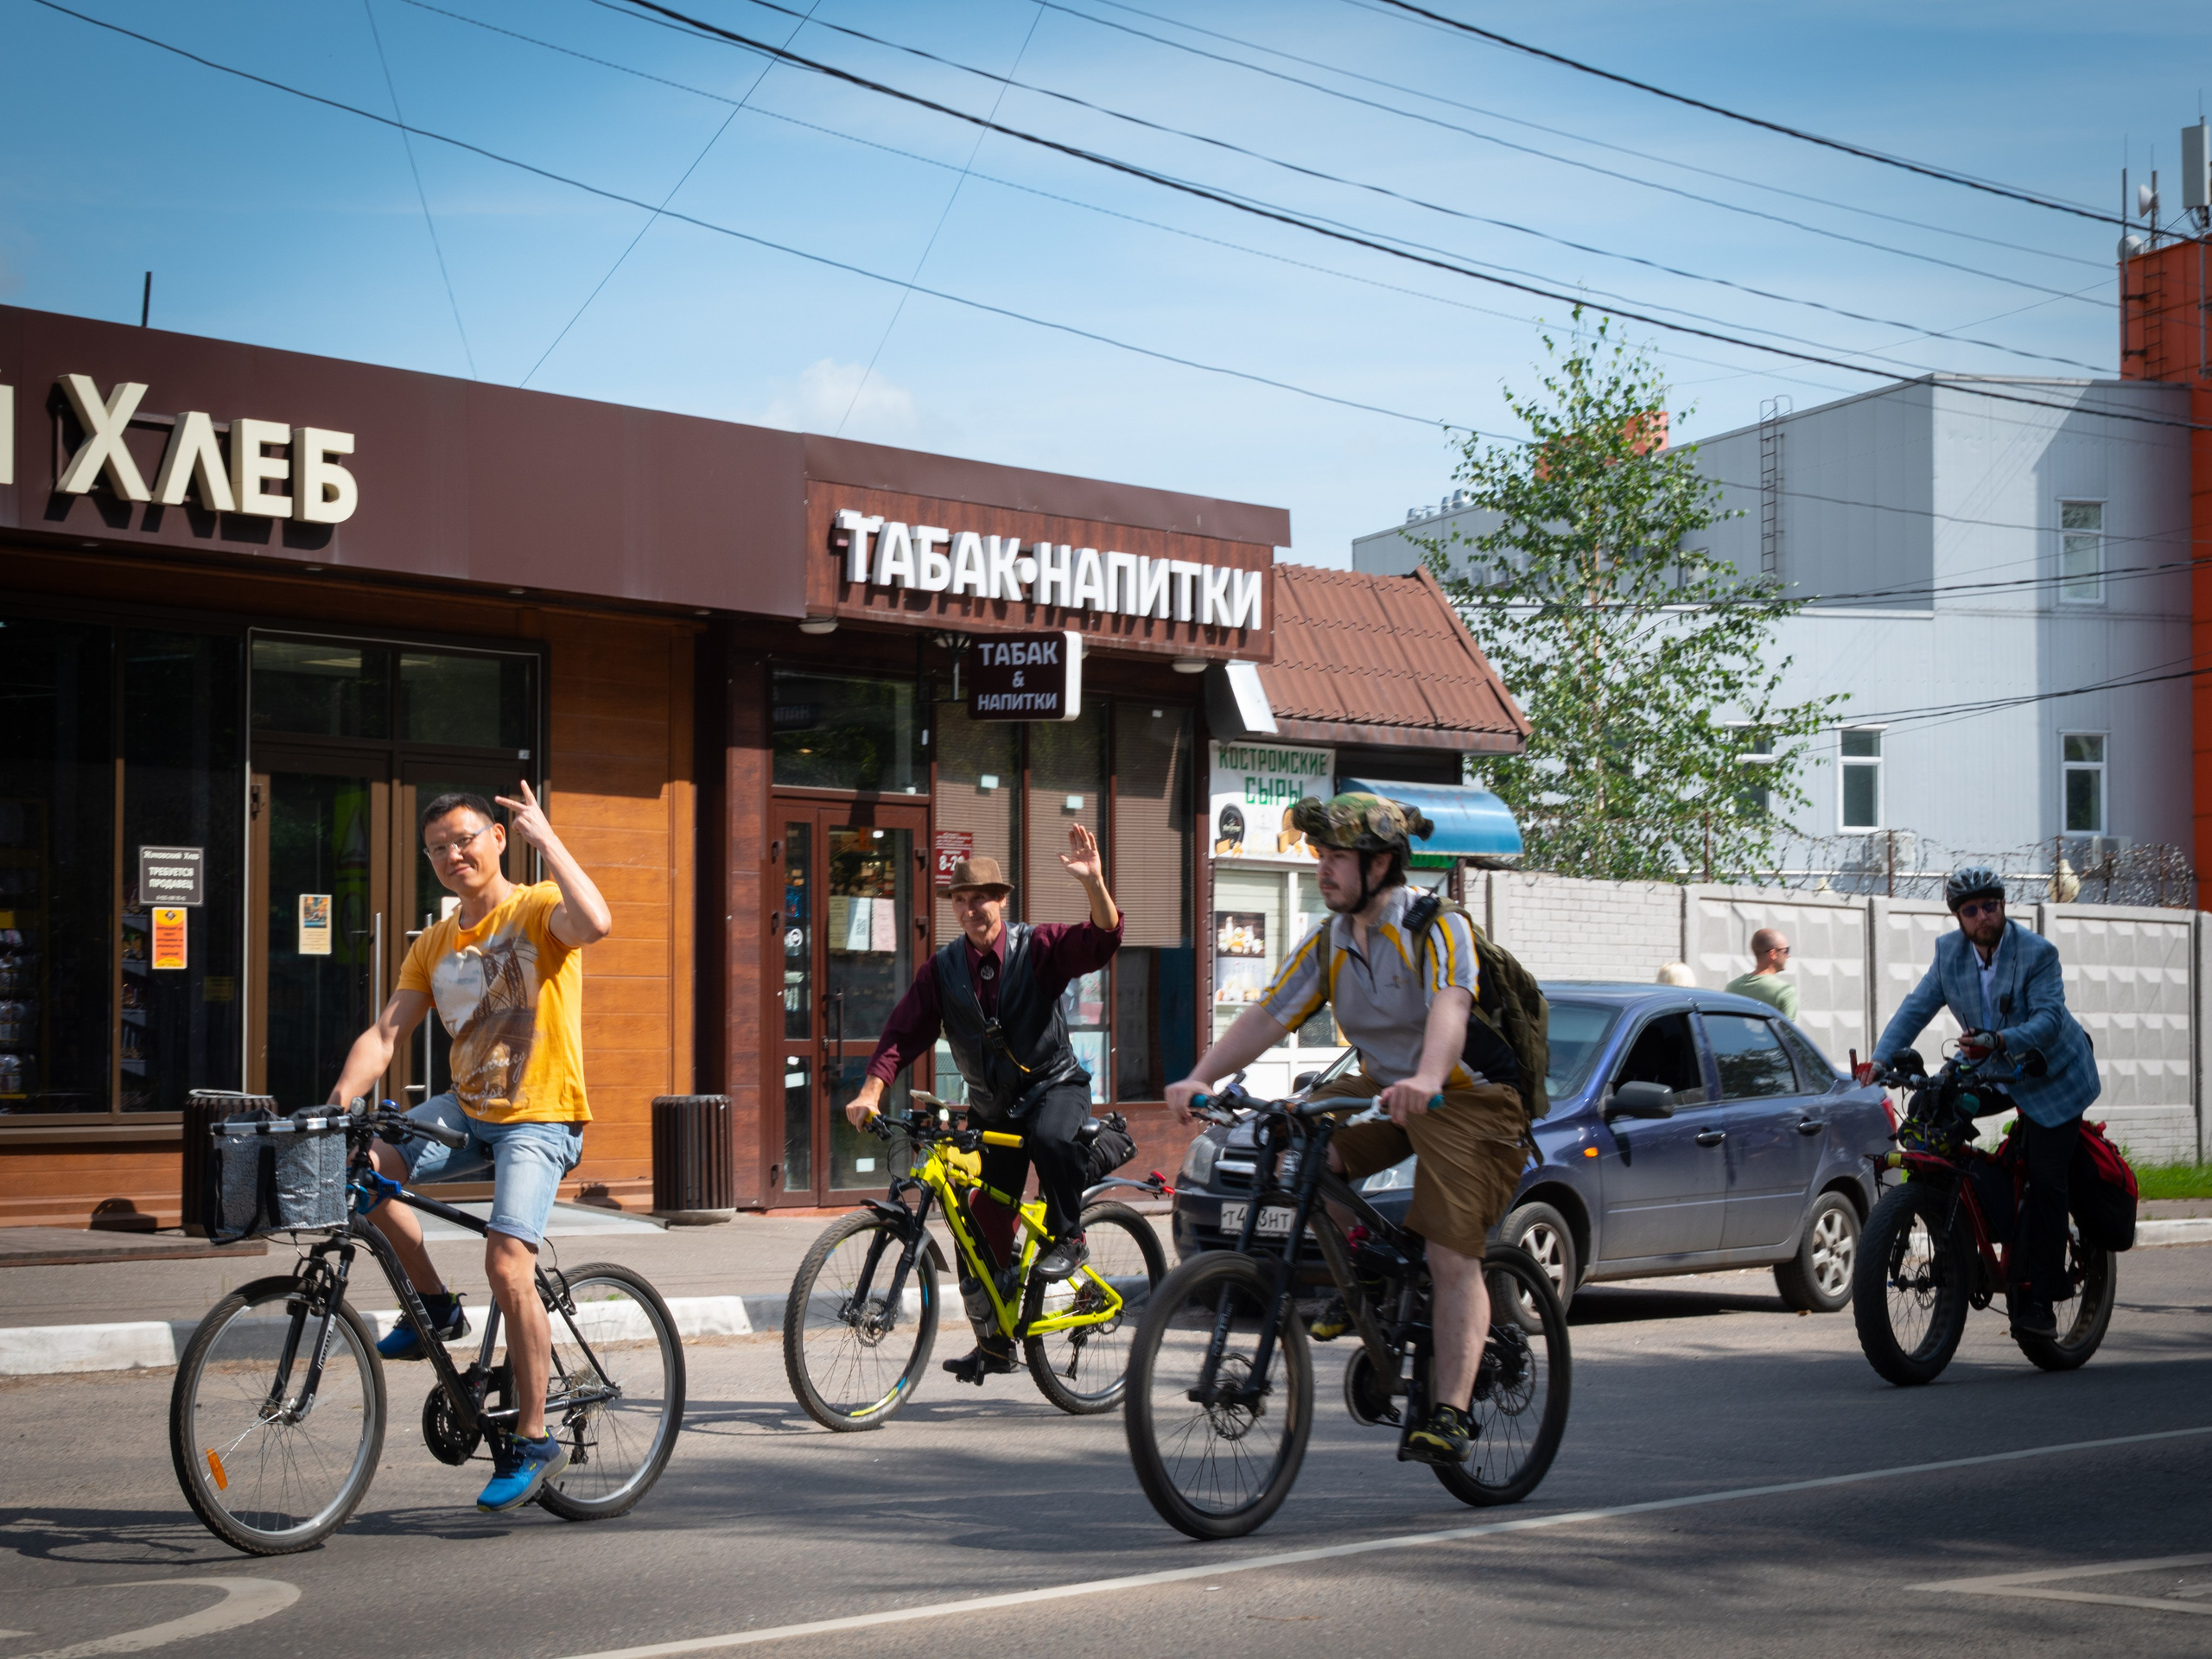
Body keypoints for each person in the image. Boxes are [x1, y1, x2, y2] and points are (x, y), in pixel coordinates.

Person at [1166, 792, 1528, 1468]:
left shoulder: (1434, 925)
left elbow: (1450, 1007)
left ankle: (1447, 1413)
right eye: (1321, 855)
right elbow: (1269, 1016)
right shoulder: (1331, 940)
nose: (1323, 869)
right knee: (1298, 1154)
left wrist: (1426, 1077)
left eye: (1337, 857)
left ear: (1381, 863)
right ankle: (1368, 1276)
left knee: (1453, 1254)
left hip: (1466, 1095)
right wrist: (1201, 1076)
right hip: (1385, 1087)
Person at [327, 782, 612, 1512]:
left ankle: (535, 1435)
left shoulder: (538, 907)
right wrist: (339, 1103)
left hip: (540, 1114)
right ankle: (435, 1308)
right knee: (366, 1171)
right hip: (468, 1106)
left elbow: (598, 921)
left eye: (465, 839)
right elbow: (388, 1033)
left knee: (507, 1259)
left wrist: (548, 837)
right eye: (438, 849)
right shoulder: (435, 941)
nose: (454, 855)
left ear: (496, 838)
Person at [846, 825, 1122, 1383]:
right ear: (954, 906)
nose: (973, 908)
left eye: (983, 898)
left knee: (1049, 1139)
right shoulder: (944, 970)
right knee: (982, 1221)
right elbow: (904, 1032)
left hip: (1055, 1087)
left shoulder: (1036, 947)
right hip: (994, 1108)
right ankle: (996, 1345)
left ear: (1002, 900)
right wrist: (872, 1089)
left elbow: (1100, 941)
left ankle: (1070, 1237)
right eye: (962, 899)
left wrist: (1094, 883)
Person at [1855, 866, 2101, 1338]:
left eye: (1990, 906)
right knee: (1932, 1118)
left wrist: (1998, 1040)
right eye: (1971, 910)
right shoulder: (1949, 953)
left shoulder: (2037, 953)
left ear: (2003, 906)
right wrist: (1881, 1061)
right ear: (1959, 918)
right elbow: (1916, 1007)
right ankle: (1957, 1222)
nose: (1983, 916)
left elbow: (2049, 1020)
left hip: (2051, 1075)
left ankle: (2041, 1301)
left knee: (2047, 1183)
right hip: (1989, 1066)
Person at [1725, 928, 1798, 1018]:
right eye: (1786, 950)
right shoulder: (1785, 991)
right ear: (1773, 954)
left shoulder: (1731, 988)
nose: (1788, 955)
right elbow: (1787, 1031)